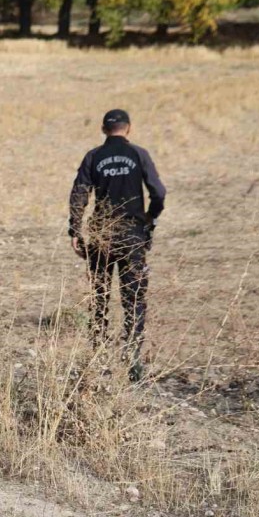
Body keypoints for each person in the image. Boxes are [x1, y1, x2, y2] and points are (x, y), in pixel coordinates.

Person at [68, 108, 166, 381]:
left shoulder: (93, 156)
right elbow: (159, 192)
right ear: (129, 128)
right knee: (133, 298)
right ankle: (132, 359)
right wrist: (150, 217)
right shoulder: (138, 154)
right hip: (132, 236)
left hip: (102, 237)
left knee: (99, 296)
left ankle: (99, 358)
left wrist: (75, 229)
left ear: (103, 129)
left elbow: (79, 194)